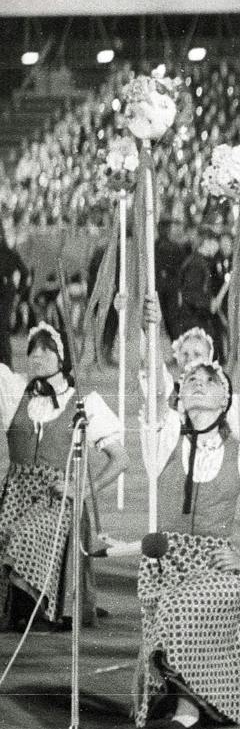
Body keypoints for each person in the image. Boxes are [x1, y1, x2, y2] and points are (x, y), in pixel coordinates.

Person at [97, 357, 240, 729]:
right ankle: (191, 697)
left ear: (225, 399)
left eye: (210, 380)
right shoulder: (162, 442)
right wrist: (151, 327)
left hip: (215, 569)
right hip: (165, 567)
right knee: (173, 603)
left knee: (181, 605)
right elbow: (156, 389)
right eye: (191, 378)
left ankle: (188, 711)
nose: (199, 383)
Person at [0, 323, 128, 626]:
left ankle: (39, 609)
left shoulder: (83, 402)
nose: (37, 357)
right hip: (13, 496)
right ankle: (15, 609)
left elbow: (120, 459)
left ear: (62, 358)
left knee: (23, 535)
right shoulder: (15, 391)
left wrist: (81, 490)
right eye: (33, 351)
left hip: (55, 501)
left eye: (47, 351)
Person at [0, 223, 26, 364]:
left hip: (5, 294)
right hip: (7, 292)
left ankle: (7, 364)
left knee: (2, 329)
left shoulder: (9, 253)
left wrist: (18, 292)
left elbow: (24, 272)